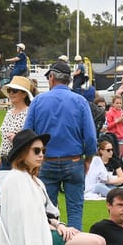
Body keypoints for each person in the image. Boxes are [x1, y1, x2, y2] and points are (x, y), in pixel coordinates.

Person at [0, 129, 106, 245]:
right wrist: (53, 227)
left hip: (45, 231)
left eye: (43, 151)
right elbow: (24, 218)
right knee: (95, 244)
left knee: (100, 242)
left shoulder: (34, 180)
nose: (41, 155)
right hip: (33, 237)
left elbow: (48, 212)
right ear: (23, 153)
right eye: (36, 151)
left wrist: (60, 225)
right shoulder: (16, 179)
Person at [30, 62, 98, 230]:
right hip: (73, 160)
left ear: (52, 77)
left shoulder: (38, 101)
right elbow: (90, 137)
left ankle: (49, 244)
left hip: (46, 161)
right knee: (75, 210)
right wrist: (88, 159)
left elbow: (28, 134)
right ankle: (76, 244)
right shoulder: (80, 101)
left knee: (47, 212)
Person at [85, 134, 123, 201]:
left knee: (122, 188)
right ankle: (115, 196)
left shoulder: (114, 161)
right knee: (98, 186)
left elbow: (122, 179)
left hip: (110, 185)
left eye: (112, 150)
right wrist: (113, 179)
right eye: (108, 150)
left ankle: (114, 194)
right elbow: (93, 178)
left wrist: (110, 181)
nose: (111, 152)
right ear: (101, 151)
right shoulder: (96, 161)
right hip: (98, 185)